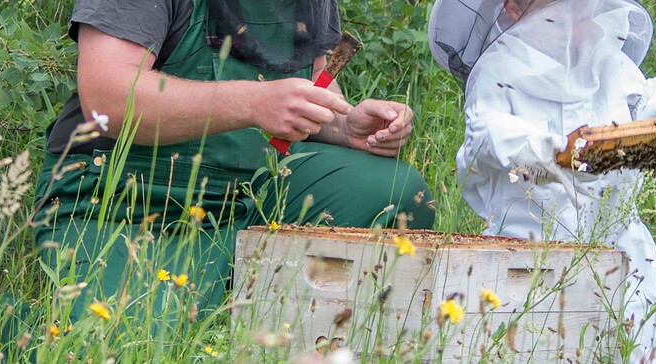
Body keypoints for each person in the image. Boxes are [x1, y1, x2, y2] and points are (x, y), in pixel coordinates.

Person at [32, 0, 435, 325]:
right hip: (123, 203)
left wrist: (345, 126)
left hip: (255, 196)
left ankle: (295, 318)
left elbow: (310, 92)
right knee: (127, 339)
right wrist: (253, 103)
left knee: (394, 191)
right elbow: (109, 97)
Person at [428, 0, 656, 362]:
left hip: (623, 255)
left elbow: (649, 100)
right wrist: (533, 148)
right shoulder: (498, 67)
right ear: (514, 8)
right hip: (526, 258)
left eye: (583, 12)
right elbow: (484, 129)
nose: (576, 26)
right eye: (559, 15)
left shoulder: (607, 58)